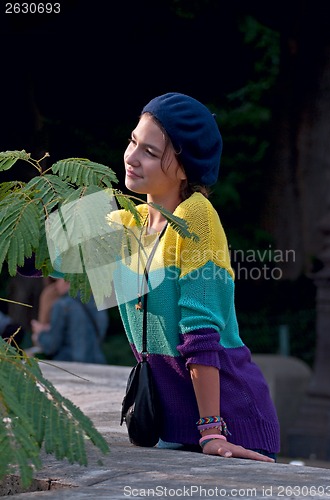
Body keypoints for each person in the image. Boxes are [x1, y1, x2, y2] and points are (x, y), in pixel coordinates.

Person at [108, 92, 280, 461]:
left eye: (150, 152)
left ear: (185, 168)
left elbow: (201, 334)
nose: (132, 158)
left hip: (229, 429)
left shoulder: (196, 217)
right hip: (169, 429)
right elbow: (39, 257)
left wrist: (212, 431)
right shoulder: (126, 223)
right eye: (133, 141)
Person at [31, 278, 108, 363]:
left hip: (69, 364)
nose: (56, 286)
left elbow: (51, 346)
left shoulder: (62, 305)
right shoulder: (97, 303)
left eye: (57, 280)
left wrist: (40, 334)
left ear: (67, 281)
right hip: (96, 363)